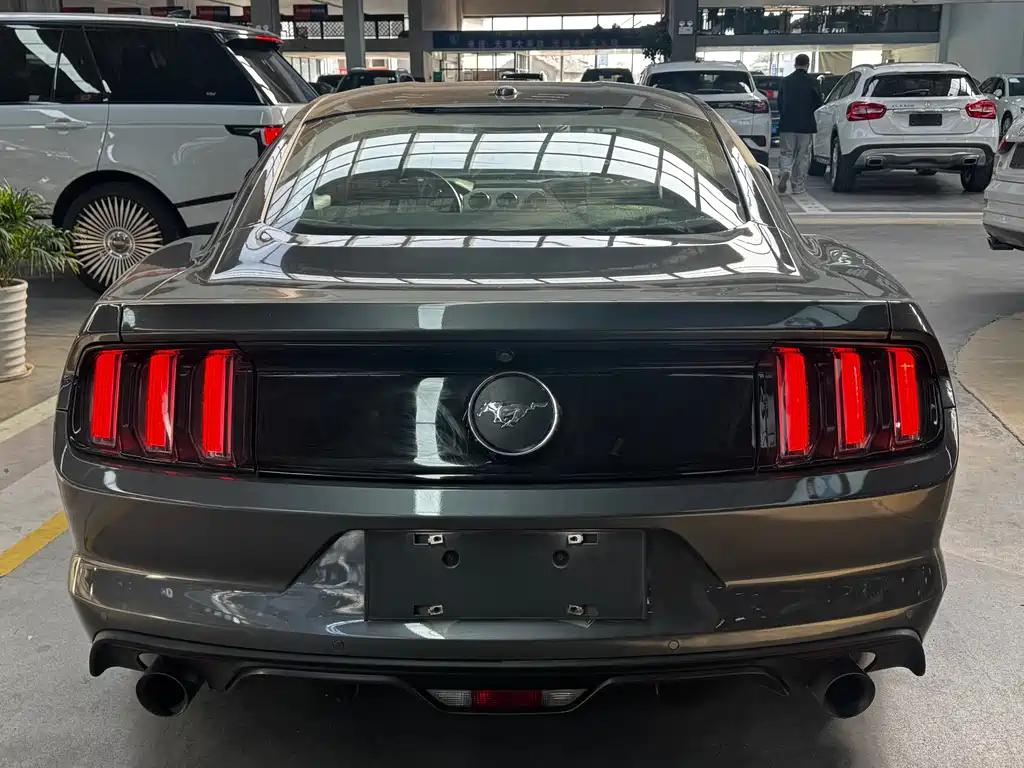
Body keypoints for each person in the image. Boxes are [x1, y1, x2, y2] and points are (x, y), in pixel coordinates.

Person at [776, 54, 822, 195]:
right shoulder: (813, 82)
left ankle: (785, 170)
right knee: (803, 155)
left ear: (795, 65)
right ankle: (798, 186)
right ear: (808, 65)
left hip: (787, 124)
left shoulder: (785, 81)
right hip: (806, 125)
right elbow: (818, 103)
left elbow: (779, 103)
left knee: (786, 152)